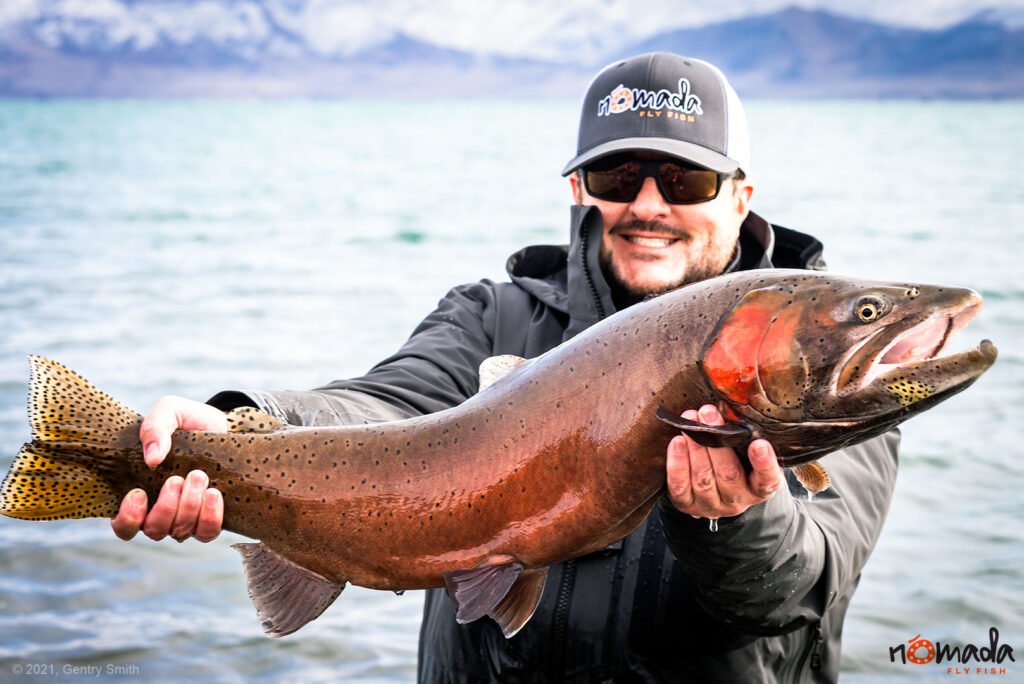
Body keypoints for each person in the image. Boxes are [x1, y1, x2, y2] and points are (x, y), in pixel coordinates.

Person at [110, 53, 899, 682]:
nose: (648, 205)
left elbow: (801, 592)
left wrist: (735, 519)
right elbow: (389, 403)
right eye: (618, 178)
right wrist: (250, 426)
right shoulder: (494, 316)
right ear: (579, 189)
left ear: (741, 194)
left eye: (684, 179)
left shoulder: (829, 371)